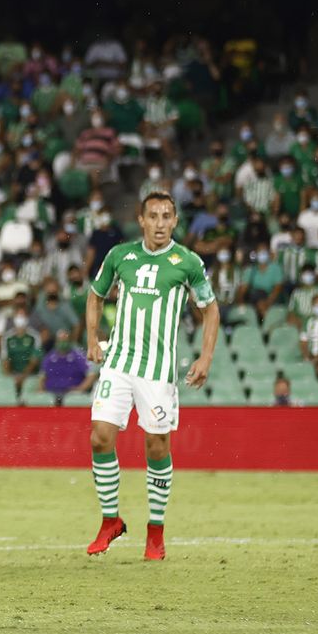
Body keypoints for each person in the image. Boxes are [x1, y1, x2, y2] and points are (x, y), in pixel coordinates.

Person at [84, 192, 219, 560]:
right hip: (119, 362)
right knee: (100, 437)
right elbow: (95, 295)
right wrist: (93, 339)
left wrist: (205, 357)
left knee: (157, 447)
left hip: (158, 372)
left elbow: (210, 309)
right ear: (141, 221)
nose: (160, 223)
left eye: (166, 216)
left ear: (175, 221)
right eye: (153, 216)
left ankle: (155, 531)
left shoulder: (187, 262)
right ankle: (110, 520)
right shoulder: (119, 256)